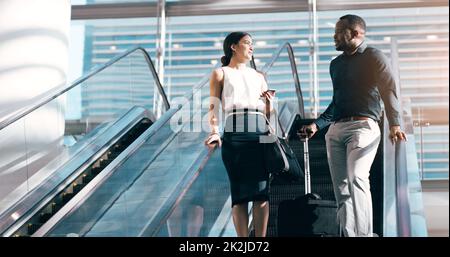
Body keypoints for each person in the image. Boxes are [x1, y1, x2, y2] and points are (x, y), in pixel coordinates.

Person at [299, 14, 407, 237]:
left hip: (363, 127)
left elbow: (389, 89)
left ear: (357, 33)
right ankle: (349, 234)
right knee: (341, 188)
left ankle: (365, 234)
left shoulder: (374, 56)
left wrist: (395, 124)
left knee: (357, 177)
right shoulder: (335, 64)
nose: (334, 36)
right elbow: (337, 102)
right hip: (336, 131)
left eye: (339, 32)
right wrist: (317, 125)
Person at [204, 32, 274, 237]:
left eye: (253, 44)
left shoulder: (259, 76)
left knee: (261, 193)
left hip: (260, 130)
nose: (252, 48)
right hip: (234, 132)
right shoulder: (220, 73)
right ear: (233, 47)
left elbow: (268, 112)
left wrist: (269, 104)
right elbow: (213, 107)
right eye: (247, 43)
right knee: (240, 193)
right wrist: (215, 132)